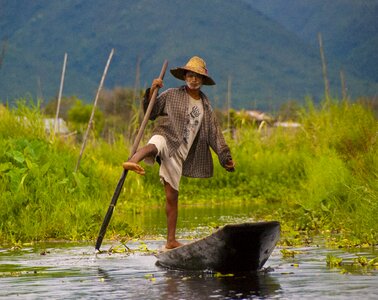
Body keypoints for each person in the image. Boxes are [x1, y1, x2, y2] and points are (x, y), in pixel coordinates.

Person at [123, 56, 235, 249]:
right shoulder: (172, 94)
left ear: (203, 81)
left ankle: (171, 241)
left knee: (172, 196)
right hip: (167, 134)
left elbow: (214, 133)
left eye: (198, 77)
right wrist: (152, 92)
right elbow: (151, 113)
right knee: (156, 143)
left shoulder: (205, 106)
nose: (194, 80)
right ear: (185, 76)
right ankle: (133, 160)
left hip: (180, 153)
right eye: (191, 75)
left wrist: (225, 157)